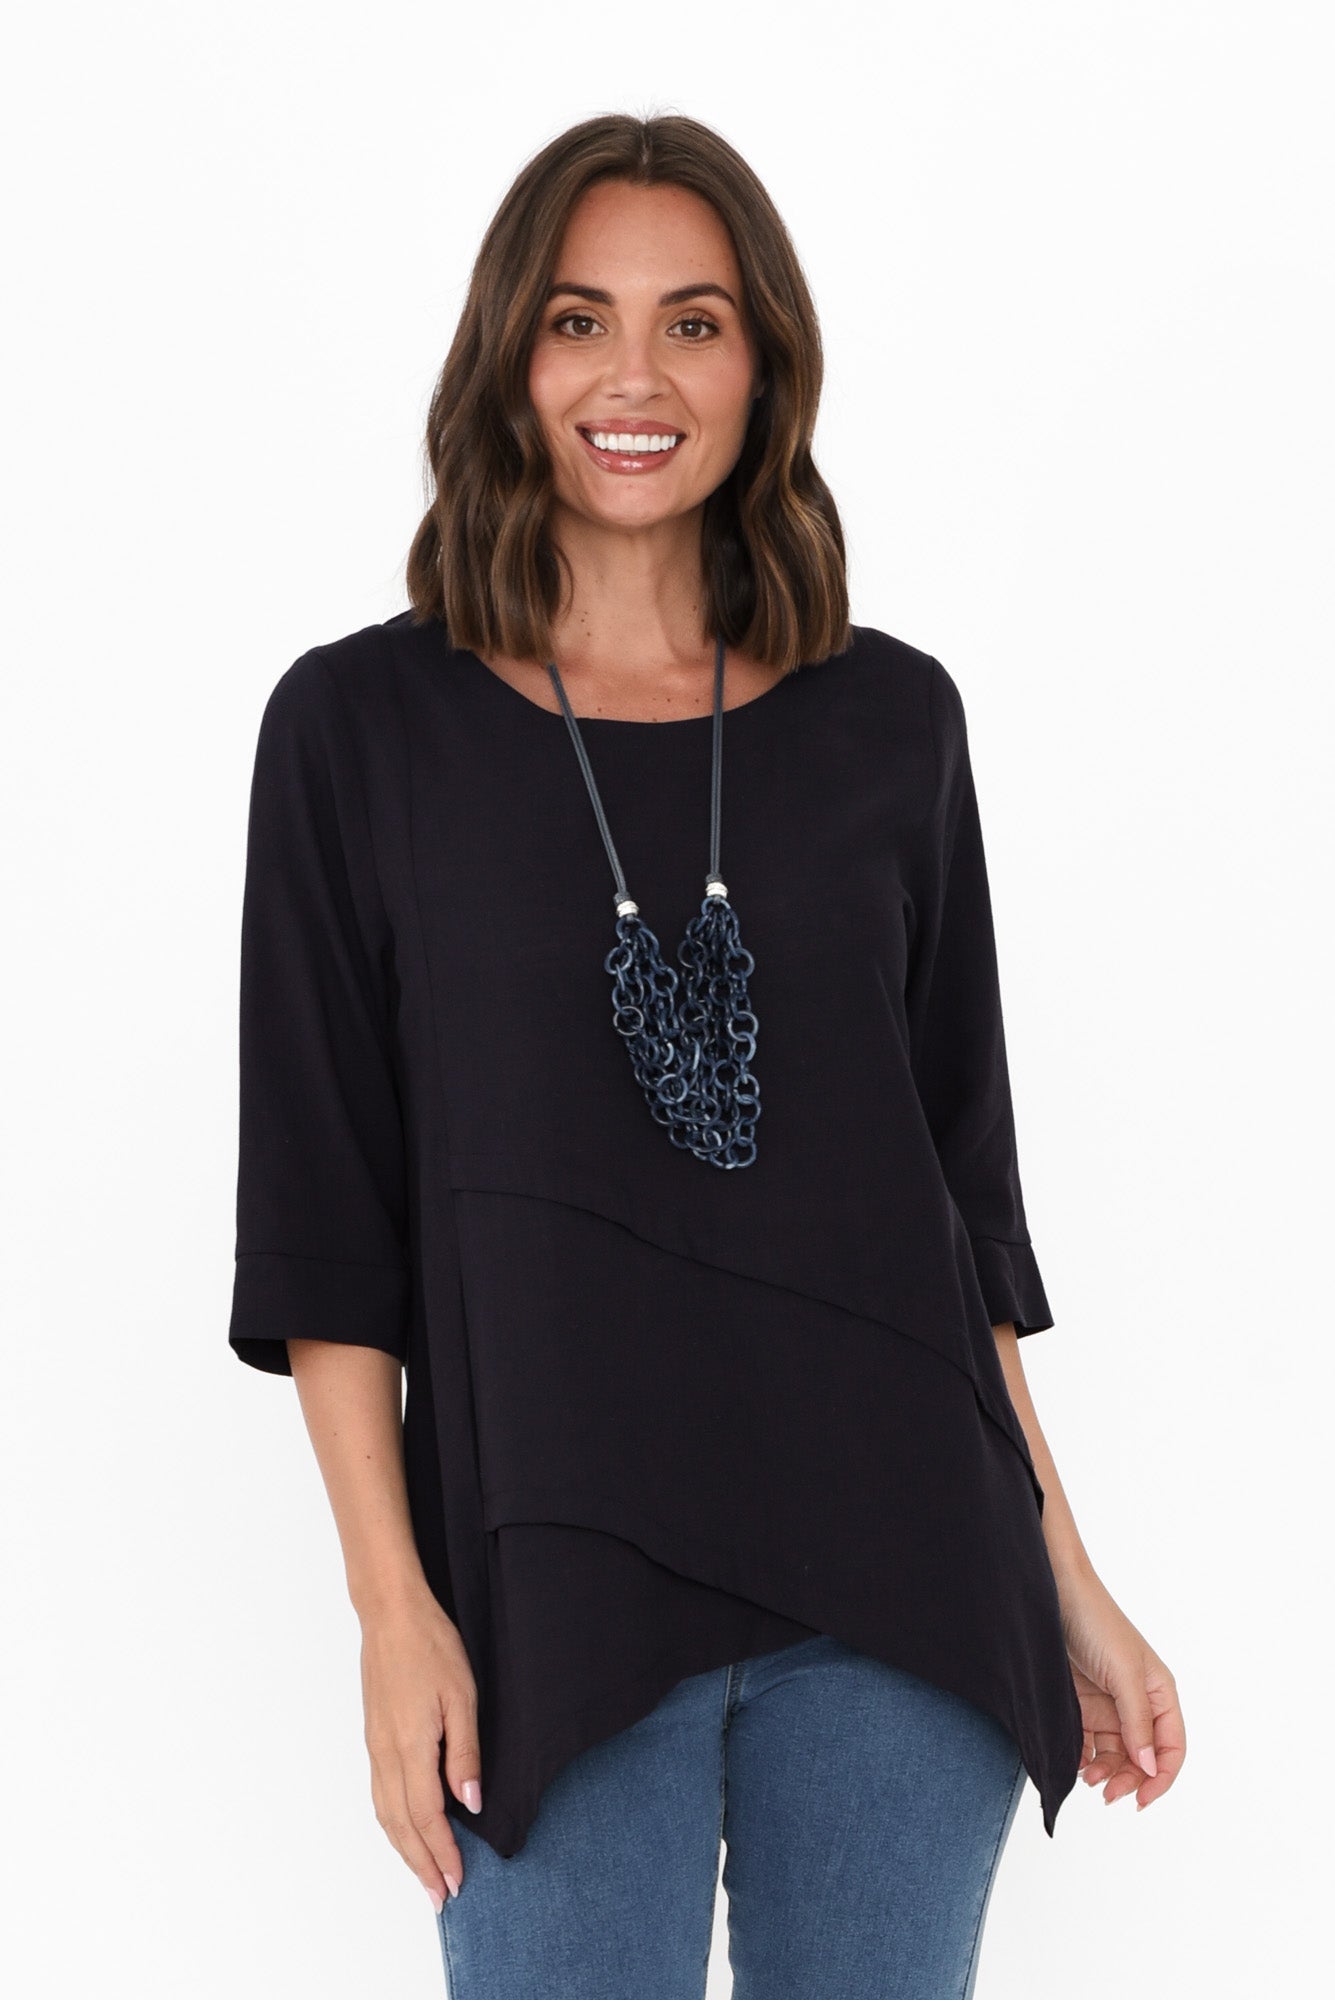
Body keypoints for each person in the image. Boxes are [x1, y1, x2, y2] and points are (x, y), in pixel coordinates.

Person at [228, 112, 1185, 1999]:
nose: (636, 378)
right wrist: (391, 1613)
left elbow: (955, 1214)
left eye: (696, 322)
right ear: (509, 354)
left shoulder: (893, 722)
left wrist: (1068, 1578)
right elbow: (329, 1234)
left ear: (766, 367)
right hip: (549, 1592)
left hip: (903, 1577)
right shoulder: (357, 732)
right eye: (579, 320)